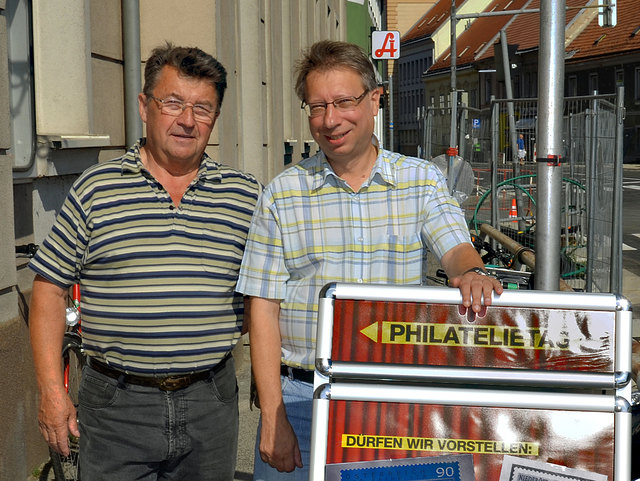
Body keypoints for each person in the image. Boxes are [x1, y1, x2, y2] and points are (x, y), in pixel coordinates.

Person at [236, 40, 503, 480]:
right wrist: (272, 416)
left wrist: (471, 271)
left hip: (394, 406)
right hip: (303, 401)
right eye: (317, 106)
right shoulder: (282, 194)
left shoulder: (421, 181)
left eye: (344, 102)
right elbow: (263, 308)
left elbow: (454, 247)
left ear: (375, 100)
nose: (330, 120)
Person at [28, 43, 260, 480]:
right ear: (144, 106)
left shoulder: (244, 196)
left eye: (203, 109)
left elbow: (263, 297)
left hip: (211, 399)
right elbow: (49, 289)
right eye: (172, 103)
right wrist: (51, 393)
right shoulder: (97, 189)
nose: (187, 120)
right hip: (117, 404)